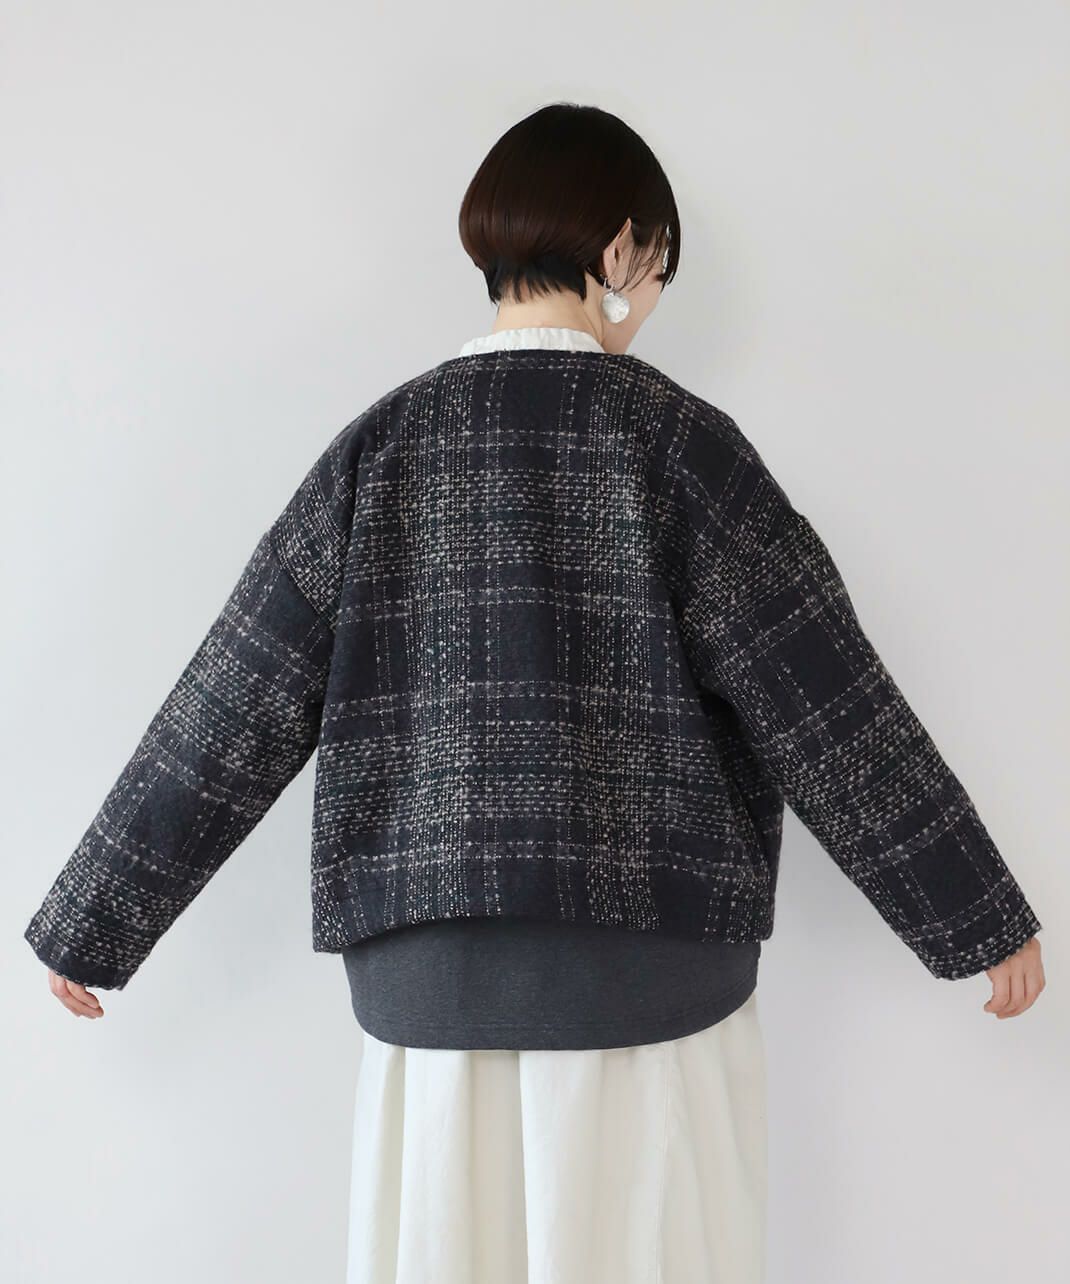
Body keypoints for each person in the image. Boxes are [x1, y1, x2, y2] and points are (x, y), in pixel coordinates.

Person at [26, 103, 1045, 1283]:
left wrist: (96, 921)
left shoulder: (380, 448)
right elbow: (823, 700)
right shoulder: (683, 447)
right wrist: (974, 918)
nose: (652, 294)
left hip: (428, 996)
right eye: (658, 265)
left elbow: (233, 702)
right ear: (618, 248)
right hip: (656, 991)